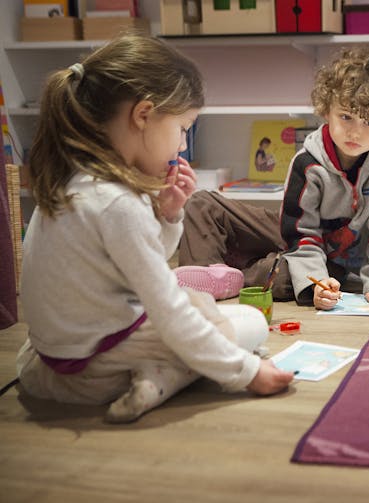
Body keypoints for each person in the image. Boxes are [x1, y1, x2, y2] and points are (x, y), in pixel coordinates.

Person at [16, 33, 294, 423]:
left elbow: (137, 264)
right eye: (183, 128)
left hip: (55, 366)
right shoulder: (118, 203)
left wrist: (168, 214)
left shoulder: (75, 182)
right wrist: (247, 373)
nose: (181, 146)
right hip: (99, 366)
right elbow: (165, 308)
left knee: (196, 304)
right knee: (245, 324)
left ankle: (157, 372)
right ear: (143, 114)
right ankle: (162, 379)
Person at [179, 47, 369, 310]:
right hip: (302, 238)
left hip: (337, 260)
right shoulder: (307, 161)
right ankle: (198, 287)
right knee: (200, 202)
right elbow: (300, 233)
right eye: (346, 117)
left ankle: (234, 273)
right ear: (327, 111)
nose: (356, 133)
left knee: (286, 280)